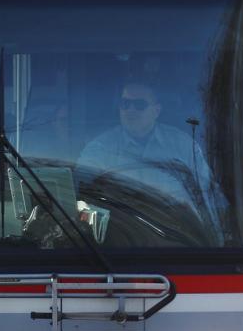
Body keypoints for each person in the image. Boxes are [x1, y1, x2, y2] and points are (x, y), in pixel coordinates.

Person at [78, 80, 226, 236]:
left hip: (178, 241)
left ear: (156, 110)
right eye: (125, 104)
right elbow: (81, 197)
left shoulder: (184, 147)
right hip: (119, 241)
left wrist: (217, 240)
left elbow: (209, 197)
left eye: (139, 104)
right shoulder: (99, 149)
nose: (130, 110)